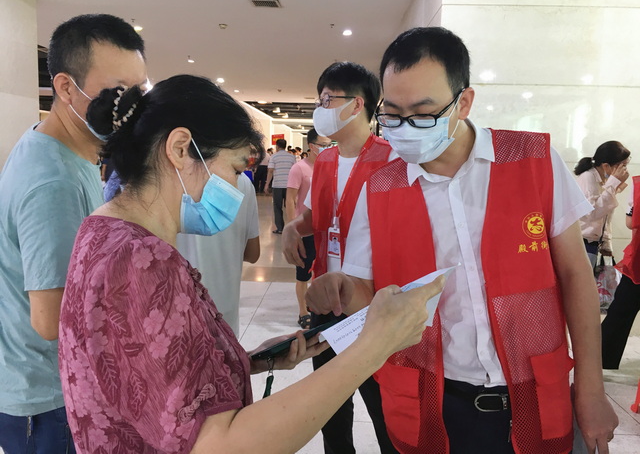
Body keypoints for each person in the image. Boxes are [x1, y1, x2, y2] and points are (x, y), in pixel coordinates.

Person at [57, 74, 443, 453]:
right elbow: (217, 445)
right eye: (234, 169)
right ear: (180, 149)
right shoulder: (141, 261)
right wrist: (374, 347)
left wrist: (242, 362)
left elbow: (153, 378)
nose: (235, 187)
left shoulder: (102, 230)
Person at [306, 27, 619, 454]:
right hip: (432, 401)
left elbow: (575, 276)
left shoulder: (532, 161)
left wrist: (591, 387)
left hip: (535, 394)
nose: (405, 128)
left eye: (422, 113)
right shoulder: (378, 188)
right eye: (392, 114)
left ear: (464, 102)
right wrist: (339, 288)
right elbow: (364, 291)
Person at [0, 14, 147, 453]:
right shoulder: (54, 181)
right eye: (118, 92)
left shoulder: (61, 148)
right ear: (66, 88)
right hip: (49, 401)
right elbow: (51, 319)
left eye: (138, 91)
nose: (130, 107)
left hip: (49, 387)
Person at [283, 61, 398, 454]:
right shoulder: (327, 161)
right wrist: (293, 227)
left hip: (371, 304)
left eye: (327, 100)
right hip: (325, 303)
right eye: (320, 100)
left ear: (357, 104)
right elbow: (315, 217)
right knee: (330, 408)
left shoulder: (393, 160)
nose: (320, 109)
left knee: (384, 408)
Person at [177, 171, 260, 336]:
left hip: (177, 316)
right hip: (225, 314)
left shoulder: (162, 177)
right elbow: (253, 253)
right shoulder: (242, 182)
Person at [285, 128, 332, 329]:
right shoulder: (300, 168)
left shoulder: (330, 166)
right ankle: (303, 311)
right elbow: (290, 199)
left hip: (324, 228)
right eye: (323, 145)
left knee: (322, 270)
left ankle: (318, 307)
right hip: (305, 228)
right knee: (303, 272)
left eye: (330, 145)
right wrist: (292, 228)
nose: (327, 148)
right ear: (312, 146)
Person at [601, 176, 640, 369]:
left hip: (638, 259)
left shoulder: (638, 186)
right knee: (621, 309)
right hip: (637, 261)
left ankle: (599, 360)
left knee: (620, 310)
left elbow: (630, 222)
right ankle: (600, 359)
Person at [574, 141, 630, 267]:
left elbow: (605, 216)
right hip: (582, 243)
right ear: (606, 165)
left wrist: (607, 243)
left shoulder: (603, 179)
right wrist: (613, 183)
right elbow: (593, 213)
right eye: (622, 166)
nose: (624, 170)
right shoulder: (588, 177)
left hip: (594, 243)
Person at [265, 138, 295, 234]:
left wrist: (266, 184)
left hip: (277, 185)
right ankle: (292, 227)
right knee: (290, 206)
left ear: (277, 146)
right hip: (289, 186)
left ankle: (280, 228)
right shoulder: (292, 157)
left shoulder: (274, 156)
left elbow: (270, 171)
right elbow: (295, 171)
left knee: (277, 207)